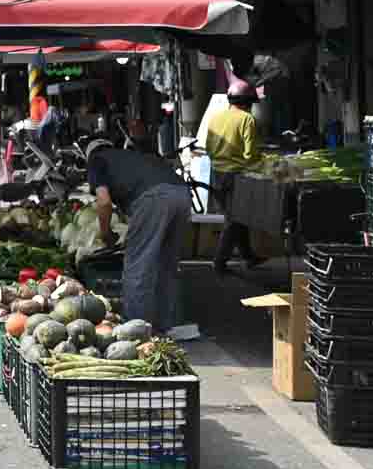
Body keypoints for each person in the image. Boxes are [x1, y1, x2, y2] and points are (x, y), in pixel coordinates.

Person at [89, 142, 192, 335]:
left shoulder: (96, 160)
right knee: (166, 264)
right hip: (182, 194)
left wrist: (105, 233)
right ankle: (162, 327)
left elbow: (104, 201)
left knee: (138, 265)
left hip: (154, 198)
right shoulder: (132, 156)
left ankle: (135, 331)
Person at [205, 79, 266, 275]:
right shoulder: (247, 120)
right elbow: (251, 155)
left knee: (237, 216)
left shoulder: (215, 118)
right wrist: (265, 164)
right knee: (234, 219)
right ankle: (219, 261)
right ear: (248, 101)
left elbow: (208, 148)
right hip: (236, 176)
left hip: (216, 174)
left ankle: (249, 256)